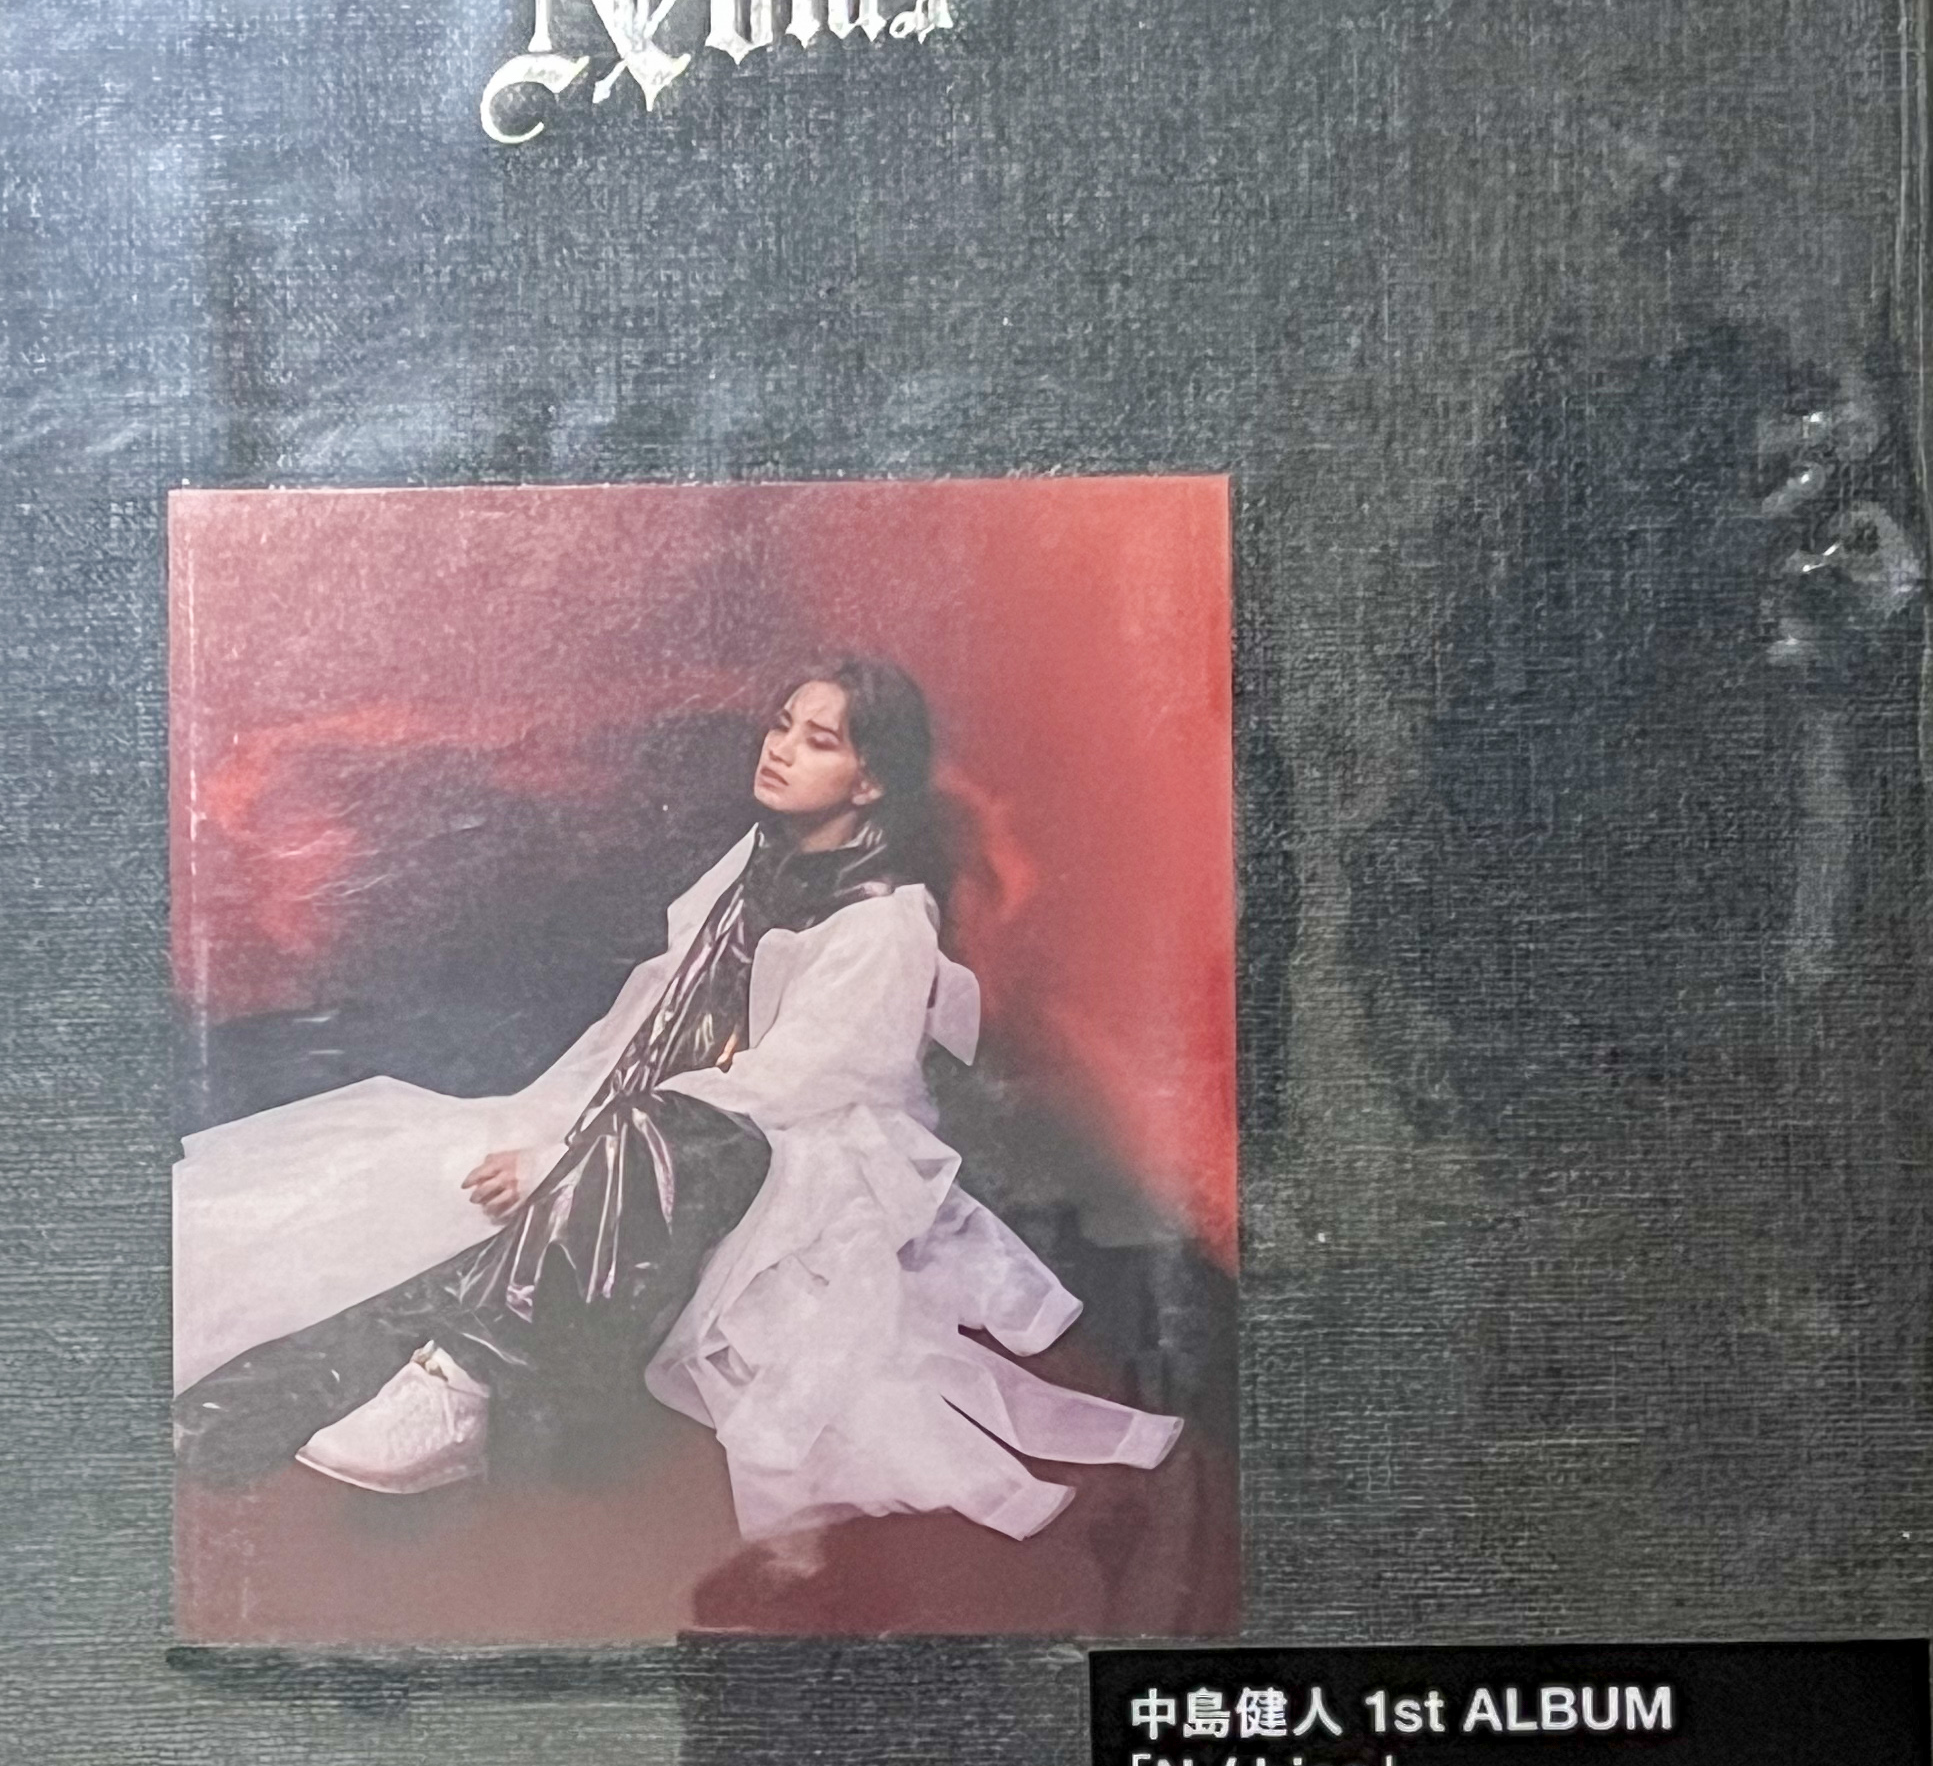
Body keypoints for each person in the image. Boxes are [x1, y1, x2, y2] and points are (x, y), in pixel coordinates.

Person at [171, 657, 1181, 1541]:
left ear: (870, 781)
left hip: (799, 1153)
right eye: (781, 724)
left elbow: (789, 1086)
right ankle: (352, 1380)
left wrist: (572, 1162)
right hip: (672, 1119)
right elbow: (649, 1020)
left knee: (672, 1130)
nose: (780, 749)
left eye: (819, 740)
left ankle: (459, 1390)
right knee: (425, 1193)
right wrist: (559, 1131)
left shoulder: (885, 922)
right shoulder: (762, 857)